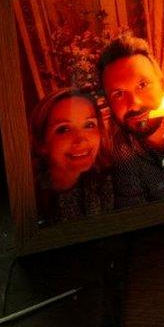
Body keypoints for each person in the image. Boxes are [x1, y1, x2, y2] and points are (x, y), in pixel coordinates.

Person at [97, 35, 164, 208]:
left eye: (143, 84)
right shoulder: (123, 157)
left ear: (161, 82)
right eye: (118, 94)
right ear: (108, 102)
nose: (134, 103)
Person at [30, 88, 114, 225]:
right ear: (41, 144)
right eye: (64, 129)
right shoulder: (27, 199)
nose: (81, 140)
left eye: (89, 125)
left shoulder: (106, 182)